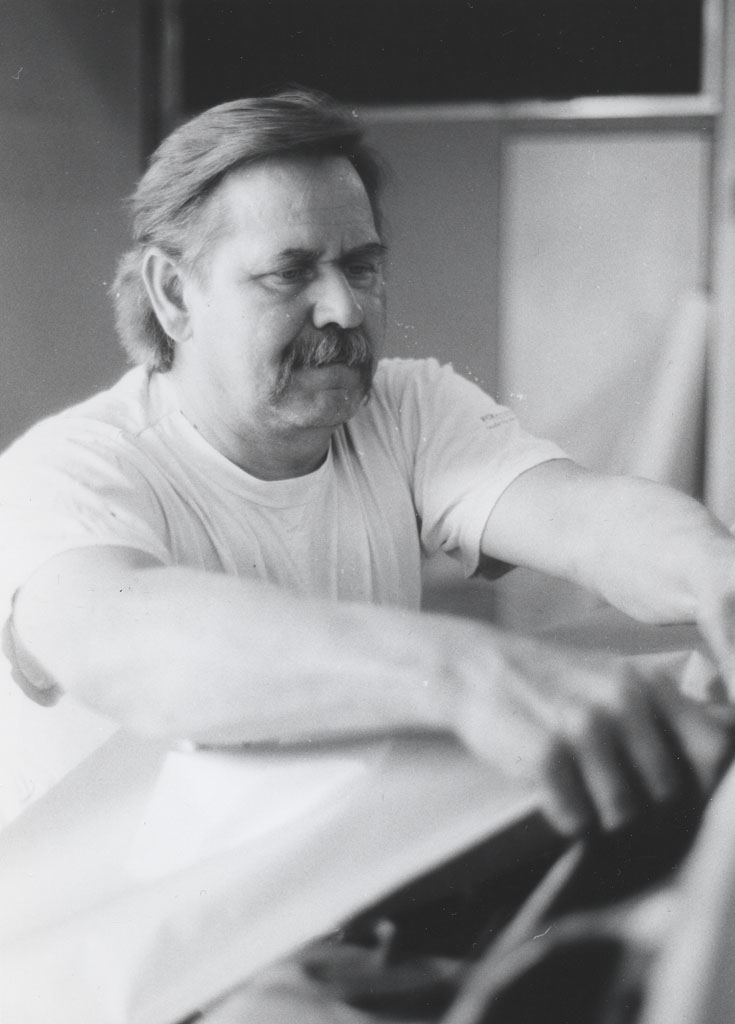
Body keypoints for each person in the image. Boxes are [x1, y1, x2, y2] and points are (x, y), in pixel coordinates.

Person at [1, 86, 735, 1021]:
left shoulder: (402, 409)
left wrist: (715, 577)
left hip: (310, 914)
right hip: (103, 975)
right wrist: (469, 677)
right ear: (174, 295)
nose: (343, 308)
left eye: (362, 266)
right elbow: (129, 644)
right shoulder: (65, 475)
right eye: (289, 273)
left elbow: (589, 519)